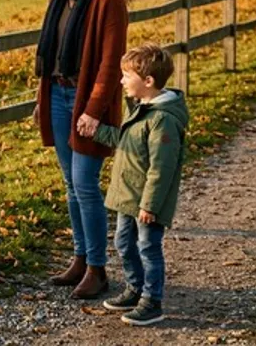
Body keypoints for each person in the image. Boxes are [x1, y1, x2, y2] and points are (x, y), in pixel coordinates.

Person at [33, 0, 130, 300]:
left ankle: (97, 269)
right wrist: (43, 101)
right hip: (57, 97)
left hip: (86, 103)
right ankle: (79, 258)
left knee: (86, 184)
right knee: (71, 185)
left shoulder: (109, 1)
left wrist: (92, 110)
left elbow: (110, 64)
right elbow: (50, 54)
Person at [79, 44, 187, 326]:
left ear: (148, 81)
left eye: (127, 76)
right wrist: (97, 132)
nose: (122, 81)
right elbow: (127, 142)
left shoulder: (162, 120)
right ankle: (135, 288)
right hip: (128, 197)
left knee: (148, 247)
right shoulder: (142, 109)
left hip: (146, 203)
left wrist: (150, 205)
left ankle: (152, 301)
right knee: (124, 243)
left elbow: (161, 169)